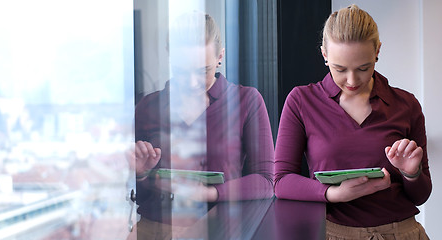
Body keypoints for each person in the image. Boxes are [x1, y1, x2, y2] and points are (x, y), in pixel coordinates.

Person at [274, 4, 431, 239]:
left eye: (363, 68)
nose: (351, 80)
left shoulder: (406, 104)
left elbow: (420, 195)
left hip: (403, 232)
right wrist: (333, 194)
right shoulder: (301, 101)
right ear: (324, 55)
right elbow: (281, 182)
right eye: (340, 69)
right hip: (332, 233)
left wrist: (411, 173)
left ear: (378, 51)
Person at [127, 11, 274, 239]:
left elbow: (267, 181)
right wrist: (142, 174)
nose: (192, 83)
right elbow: (134, 188)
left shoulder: (247, 101)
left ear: (220, 57)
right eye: (182, 72)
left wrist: (208, 193)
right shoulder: (148, 107)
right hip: (153, 230)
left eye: (203, 71)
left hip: (221, 231)